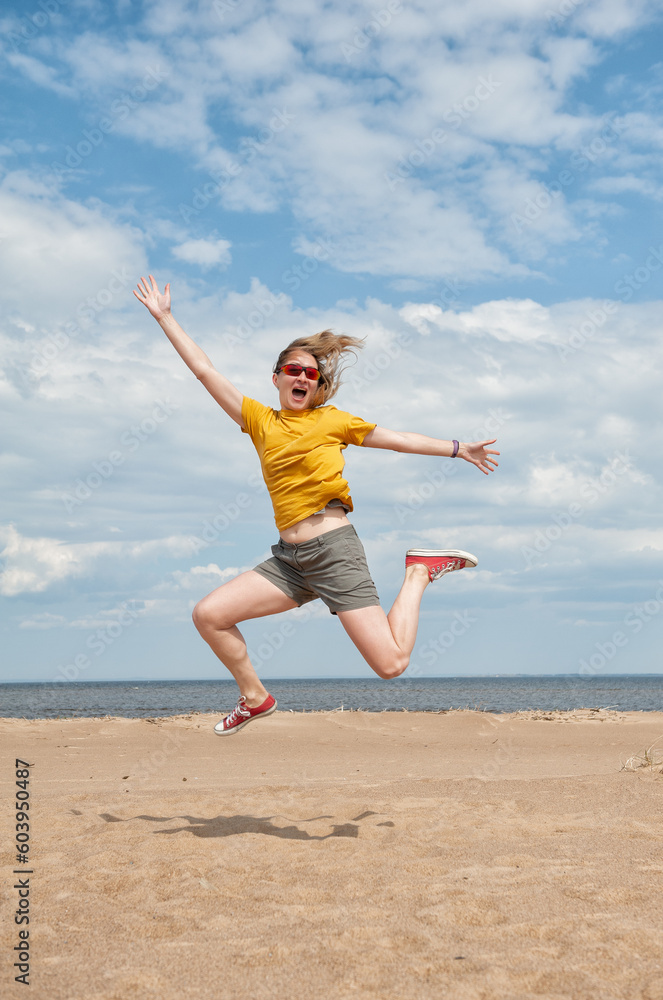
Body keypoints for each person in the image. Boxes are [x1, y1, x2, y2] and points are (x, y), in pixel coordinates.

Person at [134, 275, 499, 735]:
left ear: (319, 385)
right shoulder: (259, 420)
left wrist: (457, 447)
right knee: (208, 615)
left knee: (391, 664)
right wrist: (165, 318)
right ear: (277, 378)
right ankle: (255, 698)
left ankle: (419, 571)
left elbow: (400, 441)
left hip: (332, 550)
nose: (303, 377)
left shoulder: (332, 421)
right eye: (294, 370)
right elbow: (205, 371)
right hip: (289, 562)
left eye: (311, 373)